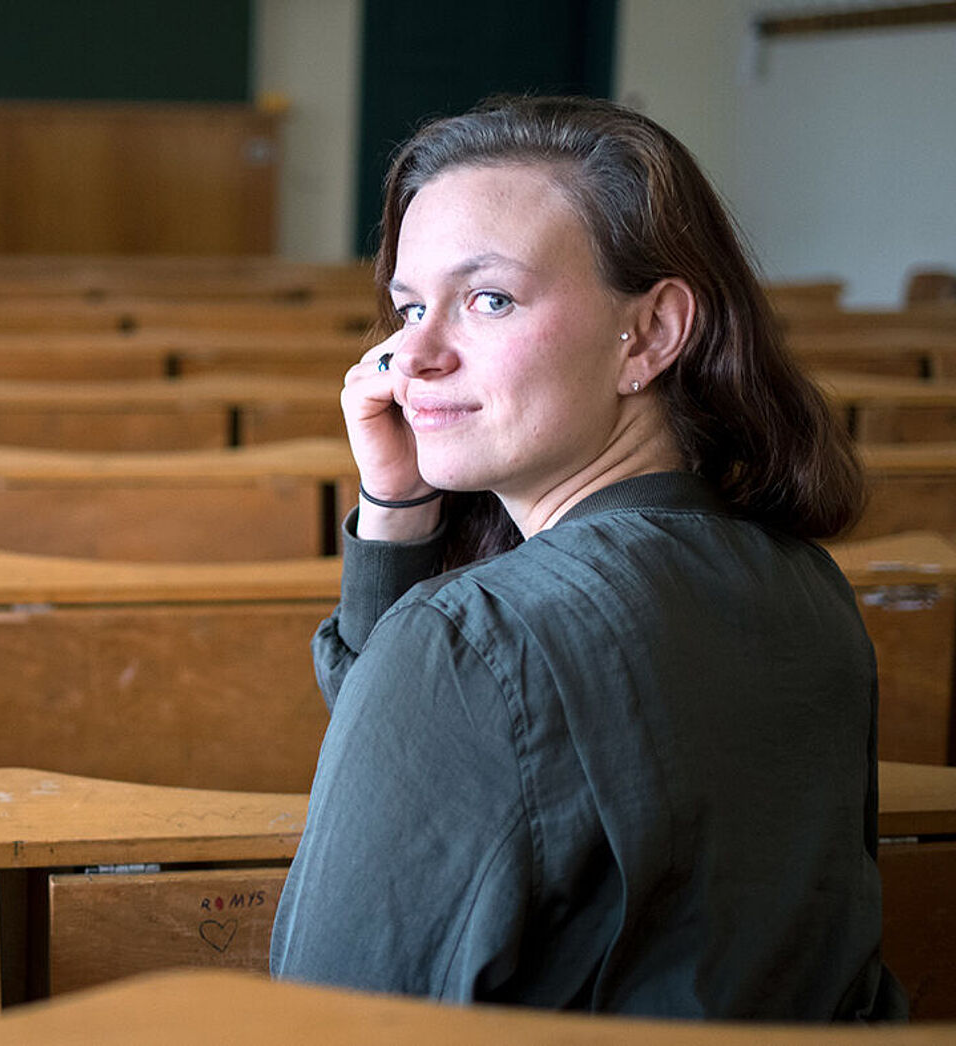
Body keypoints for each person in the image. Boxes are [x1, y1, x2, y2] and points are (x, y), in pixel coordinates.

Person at [268, 95, 907, 1021]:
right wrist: (399, 509)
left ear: (649, 334)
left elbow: (321, 1024)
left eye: (489, 298)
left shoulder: (473, 641)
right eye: (408, 307)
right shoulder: (805, 582)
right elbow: (414, 764)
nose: (411, 357)